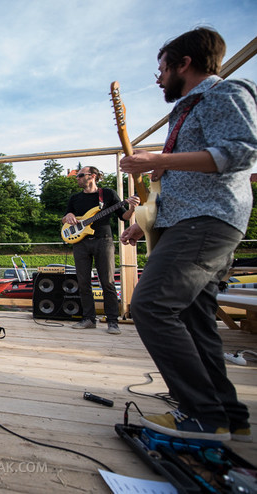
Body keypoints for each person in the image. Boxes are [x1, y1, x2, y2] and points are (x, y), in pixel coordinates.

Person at [120, 27, 256, 442]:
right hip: (190, 219)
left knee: (151, 306)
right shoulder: (189, 108)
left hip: (208, 219)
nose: (158, 78)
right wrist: (148, 215)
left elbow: (242, 151)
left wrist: (160, 158)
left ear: (184, 63)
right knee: (196, 318)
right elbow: (193, 170)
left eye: (161, 69)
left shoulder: (225, 94)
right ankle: (226, 411)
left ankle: (202, 414)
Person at [62, 166, 139, 334]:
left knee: (108, 282)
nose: (78, 178)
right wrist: (67, 217)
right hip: (81, 242)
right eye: (77, 176)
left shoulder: (108, 194)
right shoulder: (75, 198)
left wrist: (132, 207)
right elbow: (65, 218)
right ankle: (88, 319)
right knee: (83, 283)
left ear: (92, 177)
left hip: (103, 241)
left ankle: (113, 321)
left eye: (81, 175)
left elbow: (124, 216)